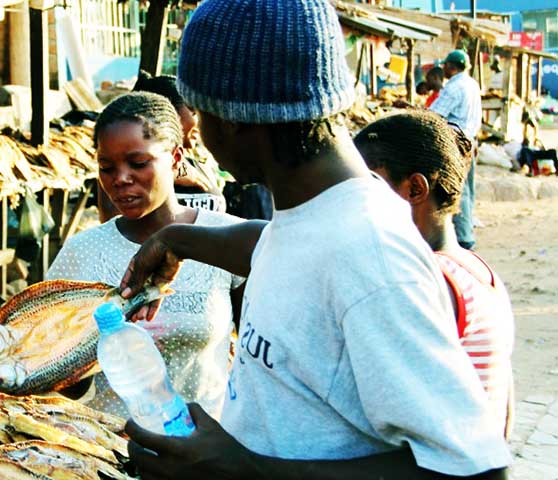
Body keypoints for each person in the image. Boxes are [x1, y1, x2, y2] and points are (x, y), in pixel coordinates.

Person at [117, 1, 510, 478]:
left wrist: (246, 471)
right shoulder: (318, 209)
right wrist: (178, 239)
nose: (199, 135)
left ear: (236, 119)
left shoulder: (370, 254)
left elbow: (476, 469)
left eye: (200, 114)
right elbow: (285, 248)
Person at [46, 91, 245, 419]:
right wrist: (86, 346)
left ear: (176, 158)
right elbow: (66, 387)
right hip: (113, 453)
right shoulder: (82, 254)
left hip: (208, 449)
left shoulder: (223, 240)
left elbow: (259, 351)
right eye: (106, 167)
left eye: (138, 163)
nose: (121, 179)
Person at [354, 110, 515, 438]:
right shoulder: (477, 269)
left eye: (366, 187)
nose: (353, 203)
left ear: (415, 189)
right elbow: (505, 408)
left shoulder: (429, 280)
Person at [97, 71, 227, 222]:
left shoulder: (200, 164)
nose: (197, 121)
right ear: (166, 116)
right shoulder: (129, 176)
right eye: (192, 112)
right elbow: (114, 226)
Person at [429, 50, 482, 250]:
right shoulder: (471, 84)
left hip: (455, 142)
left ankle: (463, 238)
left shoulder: (454, 88)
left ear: (451, 66)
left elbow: (434, 115)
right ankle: (466, 232)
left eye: (445, 66)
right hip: (470, 140)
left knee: (454, 189)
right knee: (467, 189)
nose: (444, 69)